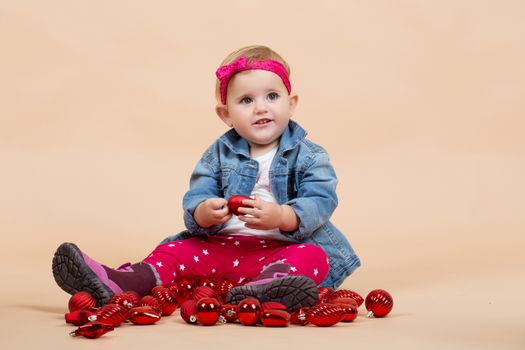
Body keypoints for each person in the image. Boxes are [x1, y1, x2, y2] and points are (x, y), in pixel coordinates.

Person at [52, 45, 360, 312]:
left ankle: (269, 288)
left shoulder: (309, 155)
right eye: (246, 101)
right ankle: (123, 282)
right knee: (174, 252)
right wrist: (204, 211)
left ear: (291, 103)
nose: (261, 107)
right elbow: (197, 195)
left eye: (272, 96)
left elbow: (321, 200)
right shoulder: (218, 154)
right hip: (224, 249)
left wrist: (283, 215)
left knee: (312, 256)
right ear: (225, 114)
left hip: (280, 252)